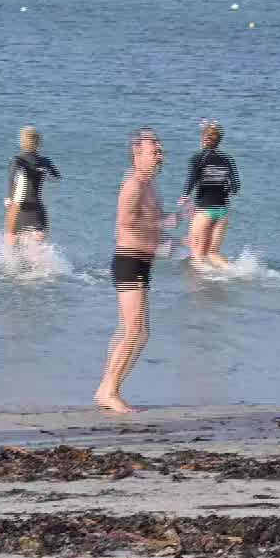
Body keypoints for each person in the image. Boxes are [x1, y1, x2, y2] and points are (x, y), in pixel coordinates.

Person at [96, 128, 170, 415]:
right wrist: (166, 247)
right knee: (134, 331)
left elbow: (158, 222)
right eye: (154, 150)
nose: (159, 154)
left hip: (141, 263)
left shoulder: (150, 185)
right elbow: (126, 228)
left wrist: (181, 225)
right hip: (128, 261)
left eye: (160, 150)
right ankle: (110, 391)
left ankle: (106, 387)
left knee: (135, 331)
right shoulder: (134, 186)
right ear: (137, 153)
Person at [178, 118, 241, 266]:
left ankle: (198, 287)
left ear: (204, 140)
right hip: (223, 211)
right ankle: (234, 272)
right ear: (219, 141)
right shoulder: (228, 159)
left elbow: (192, 178)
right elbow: (236, 187)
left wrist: (185, 195)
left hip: (205, 210)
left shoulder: (198, 158)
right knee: (212, 253)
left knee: (197, 255)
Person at [4, 125, 61, 250]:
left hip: (18, 208)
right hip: (37, 208)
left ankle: (12, 268)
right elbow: (56, 178)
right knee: (38, 241)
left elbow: (11, 178)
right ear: (39, 142)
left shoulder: (17, 160)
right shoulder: (45, 161)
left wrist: (8, 197)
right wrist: (42, 171)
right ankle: (44, 267)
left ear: (22, 141)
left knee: (13, 244)